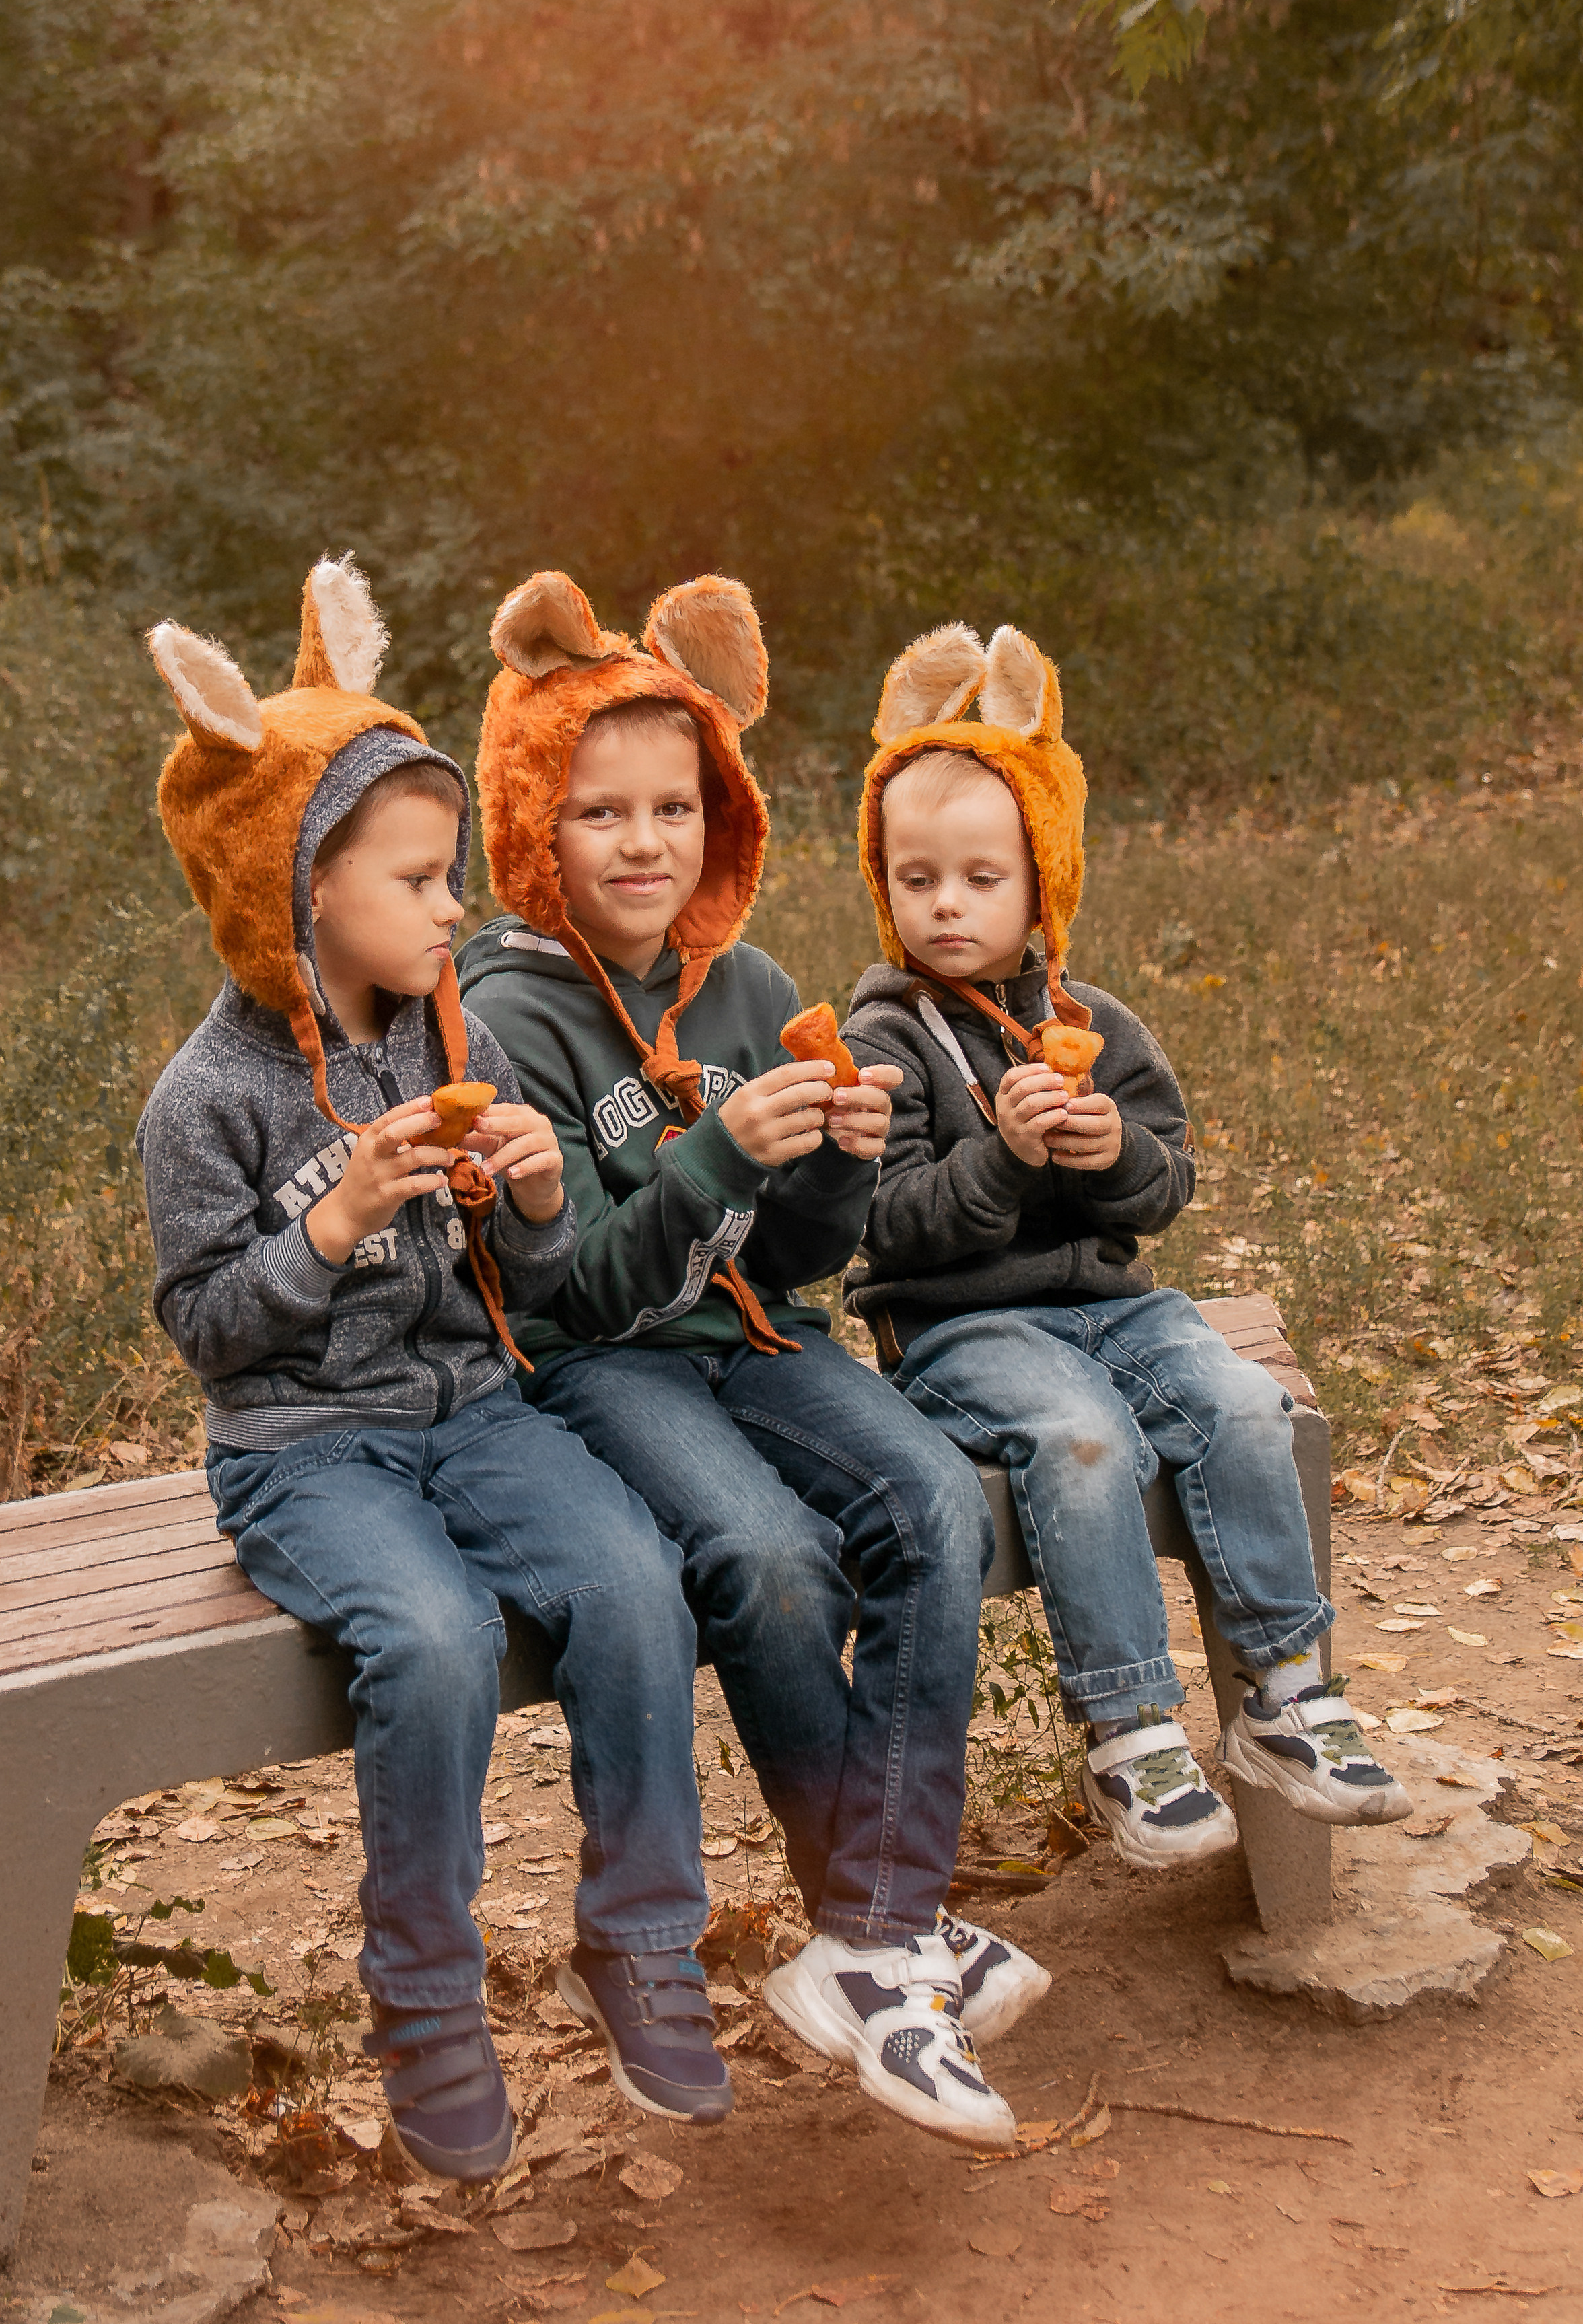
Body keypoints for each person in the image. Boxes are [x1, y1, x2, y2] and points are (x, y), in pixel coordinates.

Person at [137, 558, 730, 2180]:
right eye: (419, 880)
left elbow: (520, 1283)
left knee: (632, 1581)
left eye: (451, 872)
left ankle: (644, 1947)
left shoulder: (444, 1025)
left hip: (473, 1410)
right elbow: (207, 1331)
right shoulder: (206, 1104)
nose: (454, 906)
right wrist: (328, 1220)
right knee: (434, 1633)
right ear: (298, 892)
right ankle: (424, 2002)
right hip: (304, 1451)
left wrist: (533, 1195)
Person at [458, 569, 1049, 2154]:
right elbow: (569, 1289)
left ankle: (870, 1932)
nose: (646, 844)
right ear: (534, 826)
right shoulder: (503, 1015)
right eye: (601, 814)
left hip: (759, 1338)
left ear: (720, 811)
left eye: (675, 806)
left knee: (929, 1493)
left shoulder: (760, 990)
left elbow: (796, 1265)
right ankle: (894, 1942)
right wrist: (716, 1152)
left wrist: (839, 1161)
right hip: (604, 1375)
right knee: (773, 1560)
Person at [838, 618, 1412, 1870]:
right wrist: (1002, 1158)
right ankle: (1129, 1725)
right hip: (963, 1329)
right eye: (916, 877)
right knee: (1082, 1439)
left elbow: (1167, 1184)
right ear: (883, 884)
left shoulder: (1094, 1019)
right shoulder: (883, 1035)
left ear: (1044, 881)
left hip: (1115, 1308)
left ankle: (1286, 1690)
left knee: (1244, 1405)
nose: (947, 904)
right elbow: (885, 1225)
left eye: (980, 879)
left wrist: (1110, 1158)